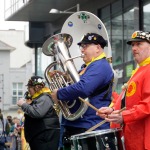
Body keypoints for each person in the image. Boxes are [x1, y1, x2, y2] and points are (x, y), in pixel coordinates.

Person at [51, 33, 114, 150]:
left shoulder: (100, 66)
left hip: (89, 127)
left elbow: (84, 88)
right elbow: (78, 86)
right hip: (77, 125)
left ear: (98, 48)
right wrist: (64, 78)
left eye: (85, 46)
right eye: (82, 47)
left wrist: (59, 93)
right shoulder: (86, 67)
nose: (82, 50)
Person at [97, 30, 150, 150]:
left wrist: (124, 116)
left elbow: (148, 104)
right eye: (132, 45)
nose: (134, 48)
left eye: (139, 44)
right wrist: (111, 110)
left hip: (144, 139)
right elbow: (126, 100)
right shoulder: (140, 70)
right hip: (133, 137)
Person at [17, 76, 60, 150]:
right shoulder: (40, 98)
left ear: (36, 87)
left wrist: (23, 104)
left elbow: (38, 113)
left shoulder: (44, 97)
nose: (28, 90)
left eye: (29, 87)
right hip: (41, 135)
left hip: (44, 135)